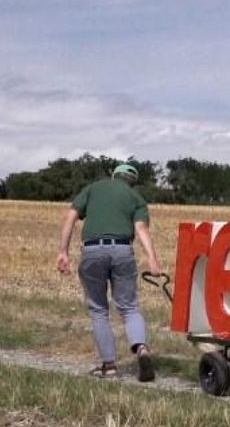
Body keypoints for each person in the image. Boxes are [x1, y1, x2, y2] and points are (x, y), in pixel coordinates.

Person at [56, 163, 162, 381]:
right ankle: (141, 348)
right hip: (123, 250)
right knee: (129, 307)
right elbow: (141, 230)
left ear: (113, 175)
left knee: (98, 310)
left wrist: (63, 251)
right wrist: (152, 259)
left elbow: (70, 217)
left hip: (93, 250)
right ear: (133, 182)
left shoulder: (94, 188)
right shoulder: (136, 198)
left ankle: (109, 366)